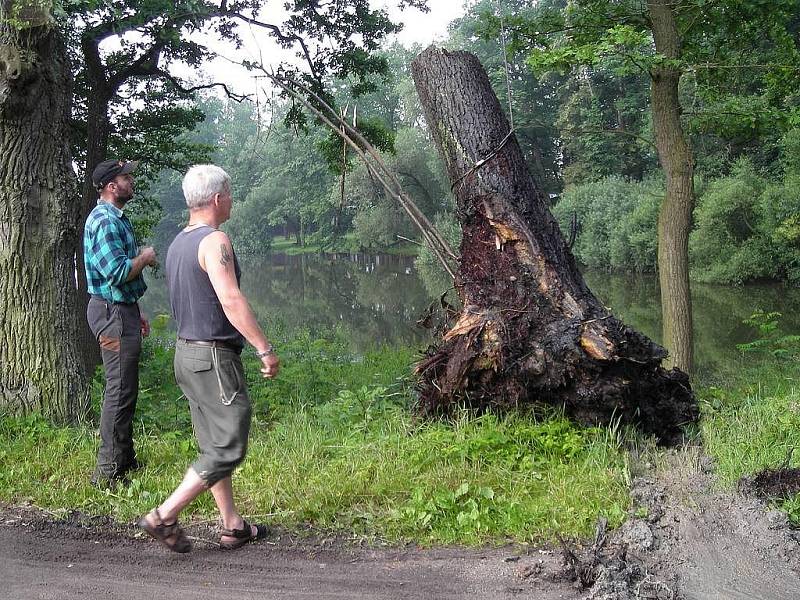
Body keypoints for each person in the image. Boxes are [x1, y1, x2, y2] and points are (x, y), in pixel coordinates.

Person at [138, 164, 280, 553]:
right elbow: (230, 299)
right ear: (218, 199)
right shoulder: (215, 241)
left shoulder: (178, 242)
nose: (232, 201)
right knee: (229, 445)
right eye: (230, 194)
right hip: (213, 357)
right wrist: (264, 348)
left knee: (212, 444)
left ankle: (233, 526)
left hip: (186, 355)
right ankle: (164, 515)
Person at [84, 159, 157, 487]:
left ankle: (124, 459)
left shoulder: (115, 219)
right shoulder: (105, 221)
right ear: (112, 185)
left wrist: (134, 311)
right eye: (126, 177)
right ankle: (108, 472)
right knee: (118, 389)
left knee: (126, 388)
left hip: (120, 309)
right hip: (111, 313)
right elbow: (117, 272)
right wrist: (145, 257)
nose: (131, 180)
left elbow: (116, 281)